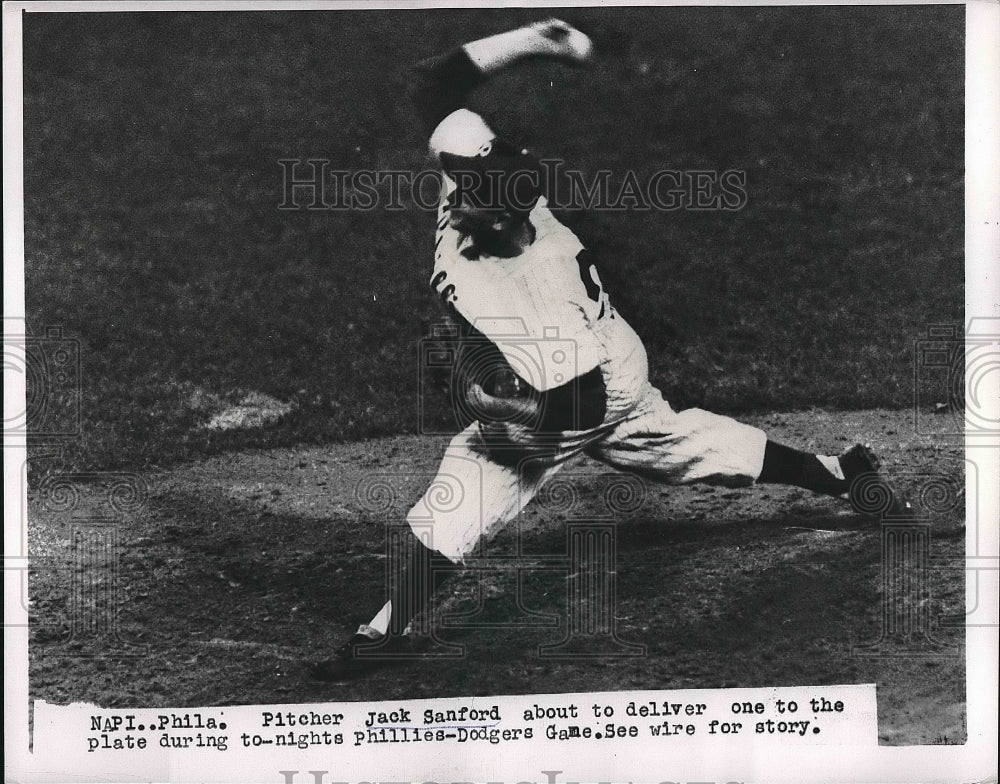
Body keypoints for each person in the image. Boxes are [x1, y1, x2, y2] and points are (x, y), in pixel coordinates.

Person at [311, 19, 901, 681]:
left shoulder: (538, 291)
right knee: (679, 445)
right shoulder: (472, 172)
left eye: (481, 207)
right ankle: (841, 472)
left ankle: (386, 630)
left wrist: (493, 405)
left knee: (474, 471)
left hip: (584, 382)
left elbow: (576, 404)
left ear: (512, 217)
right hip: (610, 353)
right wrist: (539, 39)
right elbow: (435, 84)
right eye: (467, 192)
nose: (464, 208)